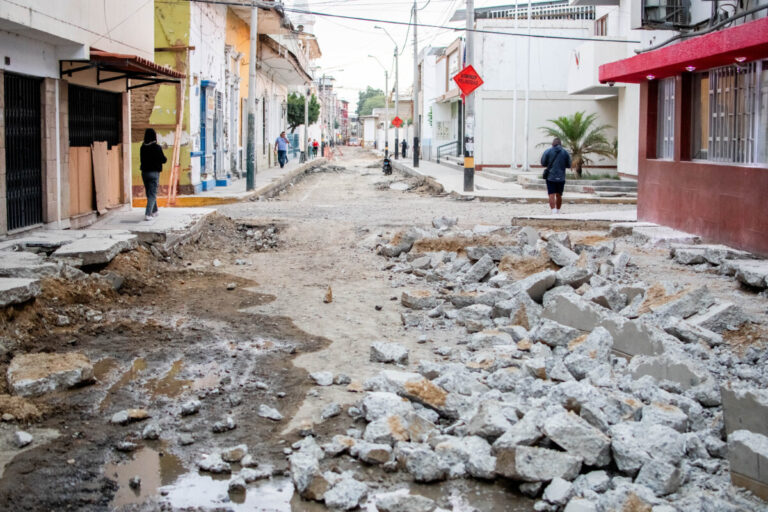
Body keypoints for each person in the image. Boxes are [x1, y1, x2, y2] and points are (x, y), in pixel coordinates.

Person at [139, 128, 166, 221]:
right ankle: (148, 214)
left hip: (144, 173)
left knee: (149, 192)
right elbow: (164, 160)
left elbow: (141, 160)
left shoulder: (142, 147)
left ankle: (155, 211)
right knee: (153, 194)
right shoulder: (157, 147)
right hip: (154, 173)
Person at [540, 137, 571, 214]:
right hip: (561, 177)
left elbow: (543, 163)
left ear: (552, 144)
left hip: (550, 177)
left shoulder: (548, 151)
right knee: (559, 195)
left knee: (551, 194)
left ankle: (553, 211)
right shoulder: (565, 152)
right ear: (560, 144)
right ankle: (558, 211)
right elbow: (569, 165)